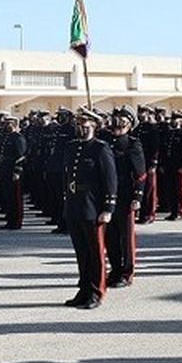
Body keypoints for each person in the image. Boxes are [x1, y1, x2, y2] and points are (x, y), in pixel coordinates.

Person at [62, 108, 118, 308]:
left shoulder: (100, 149)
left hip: (92, 207)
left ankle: (96, 292)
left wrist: (108, 208)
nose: (81, 128)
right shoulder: (71, 147)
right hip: (75, 205)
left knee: (95, 253)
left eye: (85, 125)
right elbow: (67, 176)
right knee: (81, 252)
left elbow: (110, 180)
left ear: (94, 125)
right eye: (79, 124)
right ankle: (84, 289)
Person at [106, 108, 145, 288]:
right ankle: (115, 269)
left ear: (129, 125)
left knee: (125, 237)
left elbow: (139, 174)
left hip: (125, 194)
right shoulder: (105, 141)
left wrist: (137, 195)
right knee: (111, 236)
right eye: (116, 120)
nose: (117, 124)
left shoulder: (132, 144)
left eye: (122, 122)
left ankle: (126, 272)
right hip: (107, 194)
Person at [160, 110, 182, 220]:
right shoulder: (168, 133)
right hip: (169, 165)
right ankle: (173, 211)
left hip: (179, 166)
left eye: (176, 118)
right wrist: (162, 164)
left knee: (180, 190)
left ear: (181, 120)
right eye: (173, 118)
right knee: (170, 189)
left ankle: (180, 211)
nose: (174, 121)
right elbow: (164, 150)